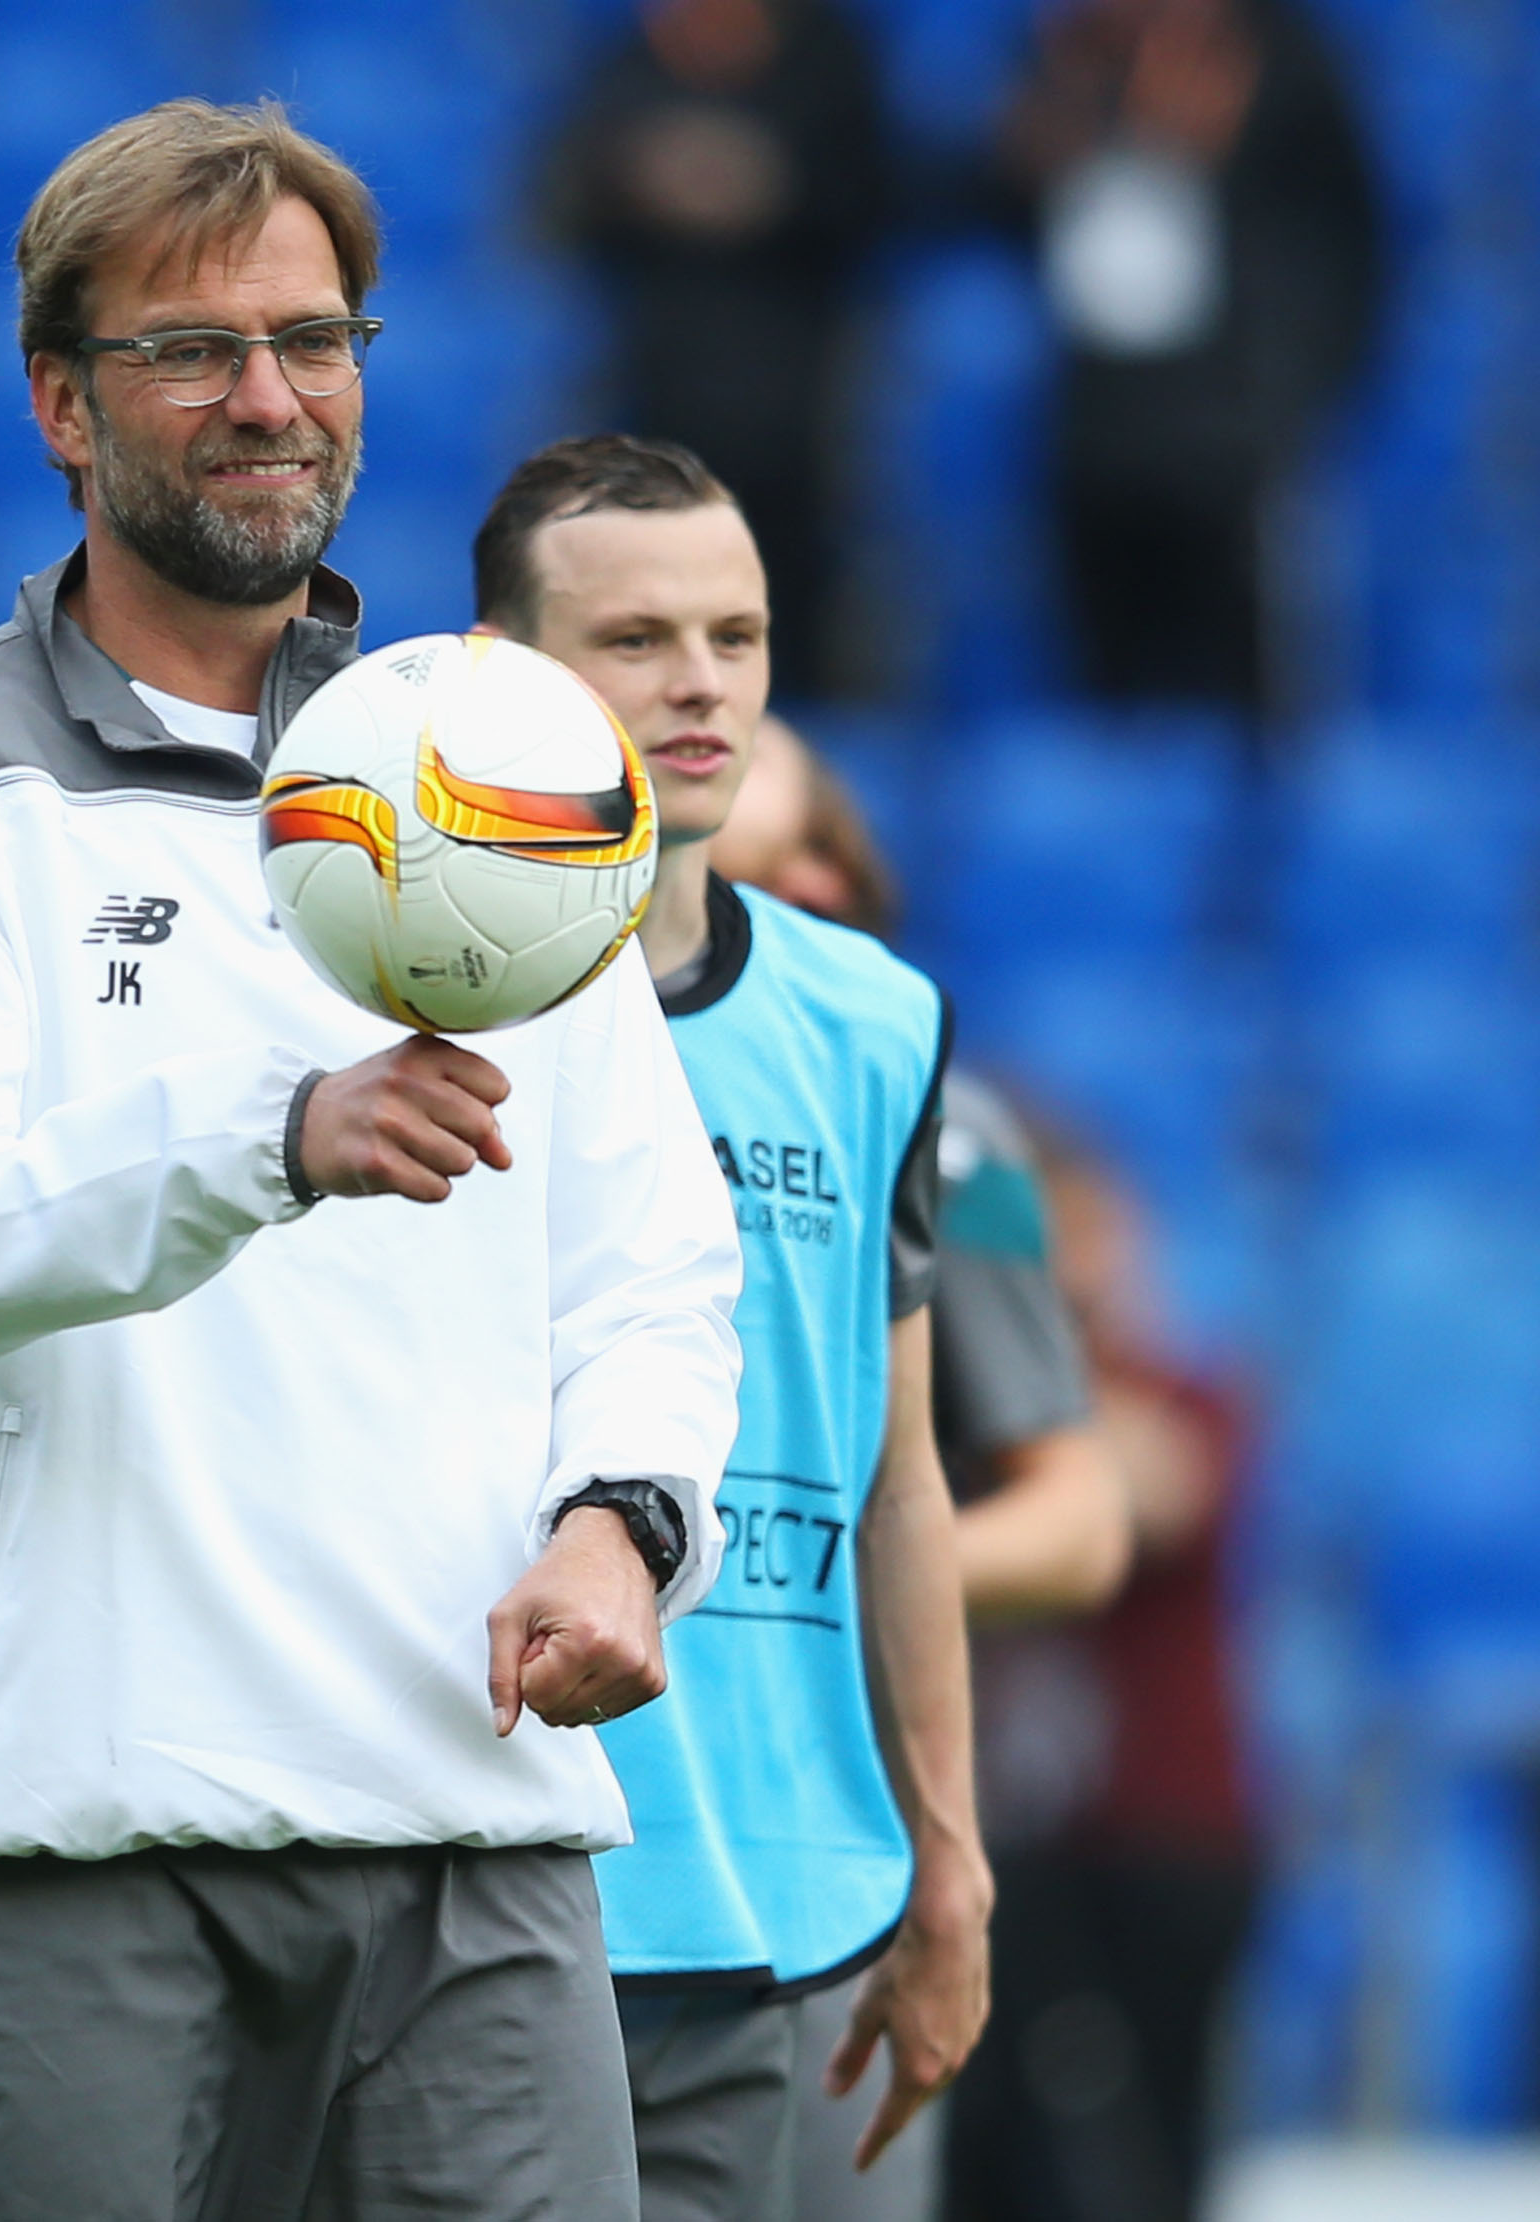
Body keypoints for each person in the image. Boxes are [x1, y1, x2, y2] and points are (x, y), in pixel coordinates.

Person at [0, 101, 745, 2221]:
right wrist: (273, 1135)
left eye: (315, 341)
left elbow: (654, 1262)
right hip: (62, 1838)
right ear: (60, 401)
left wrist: (624, 1525)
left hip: (465, 1819)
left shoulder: (500, 756)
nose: (269, 398)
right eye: (193, 349)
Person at [474, 435, 991, 2222]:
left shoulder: (876, 1017)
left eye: (737, 634)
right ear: (505, 675)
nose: (700, 681)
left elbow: (900, 1481)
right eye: (634, 640)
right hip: (481, 1854)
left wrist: (953, 1863)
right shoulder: (414, 995)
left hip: (790, 1886)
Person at [711, 720, 1133, 2221]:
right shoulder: (500, 1072)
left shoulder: (961, 1133)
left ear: (834, 877)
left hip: (829, 1823)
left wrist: (804, 1567)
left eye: (768, 849)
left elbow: (1080, 1520)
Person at [934, 1127, 1258, 2222]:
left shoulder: (1186, 1391)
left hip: (1164, 1835)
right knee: (1006, 2143)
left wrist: (1021, 1341)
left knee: (1149, 2148)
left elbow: (1157, 1491)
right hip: (1031, 1836)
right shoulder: (989, 1407)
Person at [993, 0, 1380, 712]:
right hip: (1098, 436)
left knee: (1252, 702)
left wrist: (1290, 395)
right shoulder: (1067, 58)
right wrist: (1054, 128)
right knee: (1107, 708)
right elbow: (981, 195)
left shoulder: (1280, 59)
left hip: (1237, 434)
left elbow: (1348, 242)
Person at [546, 0, 894, 700]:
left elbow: (880, 199)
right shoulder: (629, 65)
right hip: (658, 400)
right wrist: (645, 178)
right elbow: (561, 200)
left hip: (801, 412)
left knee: (792, 614)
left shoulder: (826, 57)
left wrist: (768, 185)